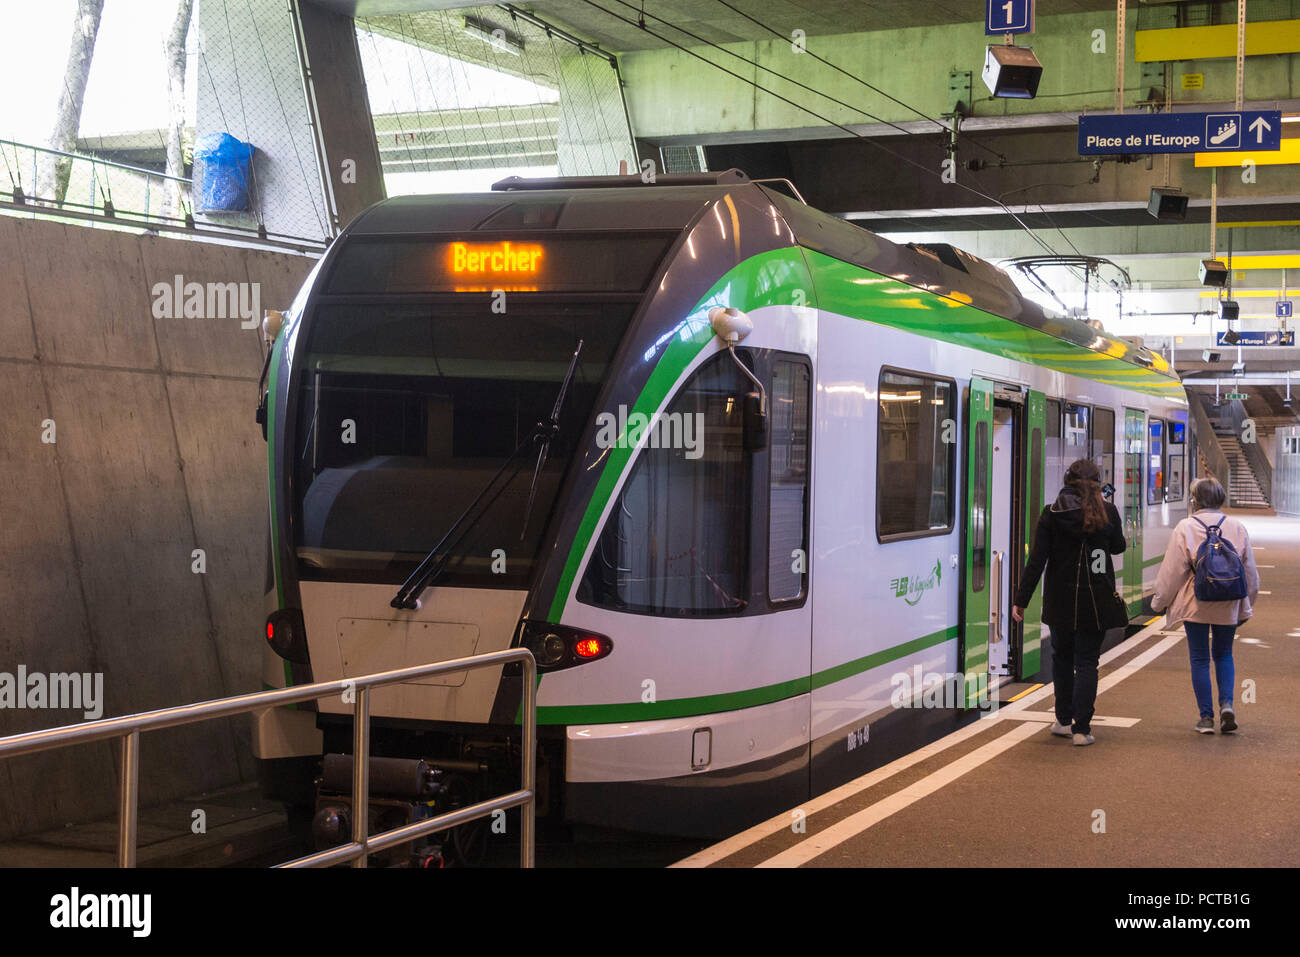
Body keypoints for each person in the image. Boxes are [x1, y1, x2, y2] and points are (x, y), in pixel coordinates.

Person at [1013, 458, 1127, 746]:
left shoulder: (1051, 514)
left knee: (1061, 658)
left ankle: (1063, 720)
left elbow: (1037, 560)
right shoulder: (1108, 511)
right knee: (1087, 662)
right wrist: (1105, 512)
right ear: (1097, 483)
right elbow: (1118, 546)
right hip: (1095, 599)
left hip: (1060, 601)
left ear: (1067, 481)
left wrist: (1021, 599)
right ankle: (1082, 729)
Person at [1151, 476, 1260, 735]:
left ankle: (1206, 718)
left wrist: (1159, 603)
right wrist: (1247, 605)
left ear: (1195, 500)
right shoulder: (1237, 527)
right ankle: (1227, 706)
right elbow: (1250, 573)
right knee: (1224, 654)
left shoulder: (1185, 527)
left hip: (1196, 602)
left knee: (1199, 658)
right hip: (1229, 602)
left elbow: (1172, 572)